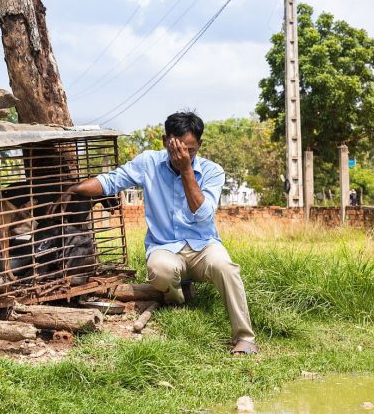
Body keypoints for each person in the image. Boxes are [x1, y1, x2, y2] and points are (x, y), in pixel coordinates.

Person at [51, 111, 257, 354]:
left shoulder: (212, 171)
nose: (182, 155)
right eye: (175, 148)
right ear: (164, 141)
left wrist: (186, 170)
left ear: (199, 145)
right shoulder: (148, 162)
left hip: (203, 246)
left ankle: (245, 338)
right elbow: (111, 181)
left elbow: (202, 214)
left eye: (190, 150)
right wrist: (75, 188)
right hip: (165, 246)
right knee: (160, 270)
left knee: (226, 267)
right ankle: (177, 299)